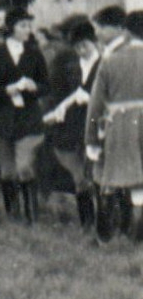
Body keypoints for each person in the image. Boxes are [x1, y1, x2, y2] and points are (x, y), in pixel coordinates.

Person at [0, 7, 50, 224]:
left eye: (29, 25)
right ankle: (13, 216)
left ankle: (32, 216)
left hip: (28, 118)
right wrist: (5, 91)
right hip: (2, 118)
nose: (28, 30)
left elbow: (46, 85)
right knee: (8, 171)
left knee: (24, 166)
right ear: (11, 29)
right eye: (23, 25)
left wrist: (33, 86)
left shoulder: (35, 54)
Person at [85, 10, 143, 243]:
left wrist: (91, 139)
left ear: (126, 32)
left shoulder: (110, 61)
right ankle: (138, 234)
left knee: (124, 177)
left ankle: (119, 233)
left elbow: (95, 105)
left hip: (122, 126)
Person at [44, 16, 100, 230]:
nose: (81, 51)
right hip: (72, 125)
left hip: (95, 122)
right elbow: (58, 91)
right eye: (78, 47)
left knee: (95, 173)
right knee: (79, 175)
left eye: (85, 46)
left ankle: (104, 221)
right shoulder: (70, 64)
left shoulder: (103, 63)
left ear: (93, 42)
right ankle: (87, 223)